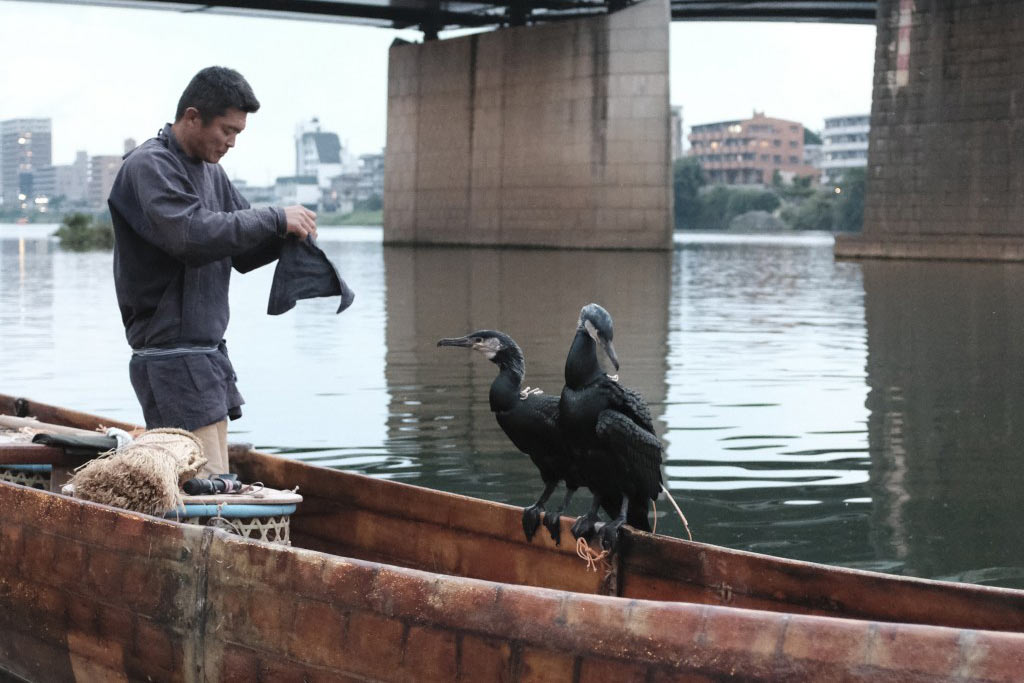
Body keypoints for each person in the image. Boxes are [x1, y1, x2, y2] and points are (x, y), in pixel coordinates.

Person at [108, 66, 317, 478]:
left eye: (238, 132)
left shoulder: (211, 172)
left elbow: (242, 249)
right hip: (171, 359)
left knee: (214, 482)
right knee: (204, 493)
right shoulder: (149, 166)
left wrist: (290, 235)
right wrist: (276, 217)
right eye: (226, 130)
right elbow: (189, 234)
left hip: (205, 358)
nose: (232, 142)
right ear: (191, 116)